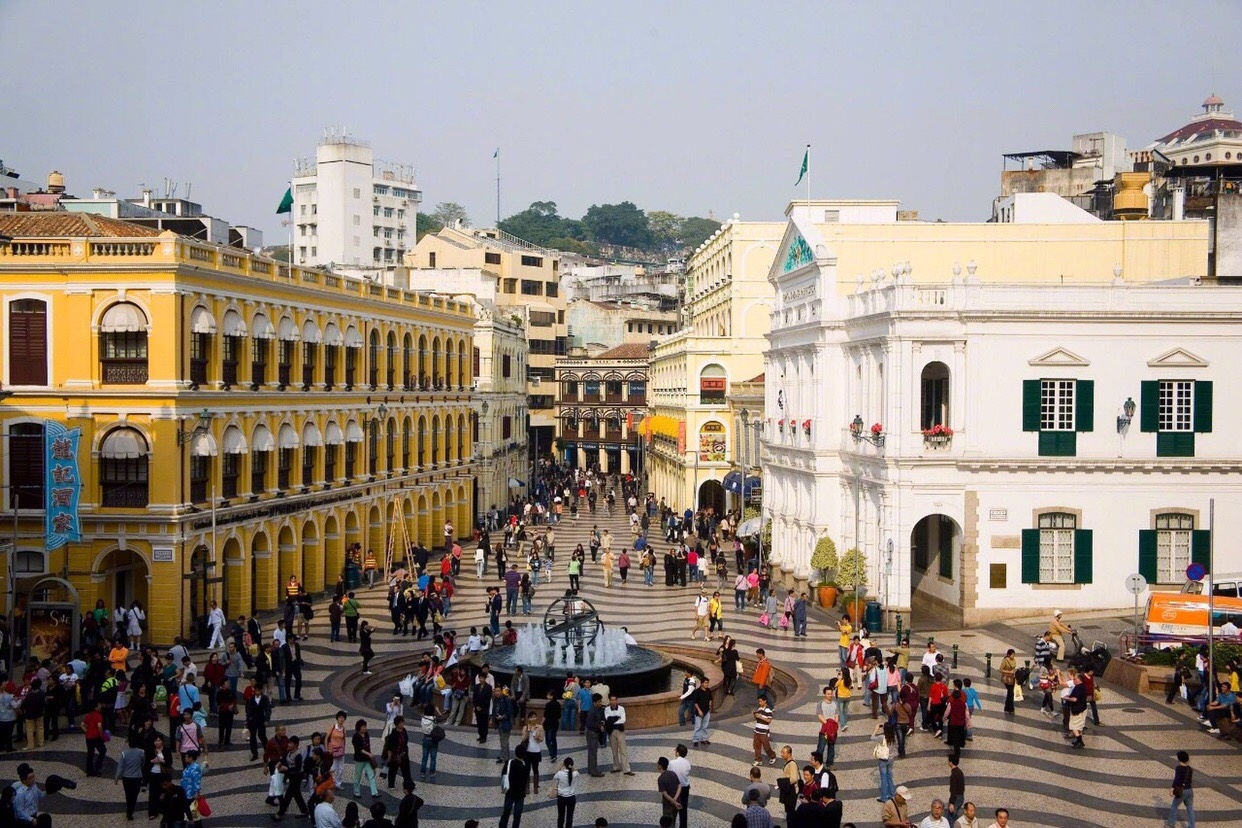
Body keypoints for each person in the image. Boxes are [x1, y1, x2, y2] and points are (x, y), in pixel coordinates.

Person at [499, 750, 531, 828]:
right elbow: (526, 779)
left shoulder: (509, 763)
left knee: (506, 812)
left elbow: (503, 773)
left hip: (509, 792)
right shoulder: (525, 766)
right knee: (517, 815)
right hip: (520, 794)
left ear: (516, 753)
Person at [604, 695, 634, 774]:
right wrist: (617, 718)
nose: (613, 702)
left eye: (614, 700)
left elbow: (623, 719)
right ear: (609, 701)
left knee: (623, 750)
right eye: (611, 700)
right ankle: (616, 767)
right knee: (614, 751)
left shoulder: (621, 708)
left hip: (620, 731)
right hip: (611, 732)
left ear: (617, 701)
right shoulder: (607, 709)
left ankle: (626, 769)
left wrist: (613, 721)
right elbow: (608, 719)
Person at [383, 716, 414, 792]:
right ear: (397, 724)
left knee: (406, 770)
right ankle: (391, 785)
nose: (402, 724)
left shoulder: (404, 731)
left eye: (402, 722)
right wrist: (389, 756)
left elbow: (405, 742)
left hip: (403, 754)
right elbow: (390, 746)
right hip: (395, 755)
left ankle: (409, 783)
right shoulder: (394, 734)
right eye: (400, 722)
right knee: (393, 770)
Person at [1167, 750, 1195, 828]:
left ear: (1179, 759)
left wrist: (1172, 788)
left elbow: (1177, 779)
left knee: (1174, 807)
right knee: (1190, 810)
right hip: (1190, 790)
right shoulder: (1190, 769)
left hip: (1182, 791)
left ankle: (1171, 824)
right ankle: (1192, 826)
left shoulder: (1179, 768)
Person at [353, 719, 379, 799]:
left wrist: (369, 754)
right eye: (363, 727)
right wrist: (369, 754)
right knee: (357, 776)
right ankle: (356, 792)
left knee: (371, 774)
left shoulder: (366, 734)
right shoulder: (355, 736)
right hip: (359, 759)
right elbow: (358, 749)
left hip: (367, 759)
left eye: (365, 726)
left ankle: (374, 792)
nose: (364, 728)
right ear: (359, 727)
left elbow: (368, 746)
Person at [519, 712, 545, 793]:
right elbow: (523, 739)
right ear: (528, 719)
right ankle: (527, 786)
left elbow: (541, 739)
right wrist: (528, 732)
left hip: (536, 751)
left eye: (534, 717)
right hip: (527, 752)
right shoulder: (525, 727)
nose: (533, 719)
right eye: (531, 717)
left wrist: (537, 737)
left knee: (535, 769)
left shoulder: (540, 727)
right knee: (527, 769)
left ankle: (535, 787)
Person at [668, 744, 692, 828]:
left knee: (672, 809)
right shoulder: (687, 763)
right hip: (685, 787)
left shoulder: (671, 763)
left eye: (675, 750)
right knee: (683, 809)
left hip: (675, 788)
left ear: (677, 753)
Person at [873, 722, 896, 804]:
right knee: (890, 777)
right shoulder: (893, 737)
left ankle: (884, 797)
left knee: (883, 778)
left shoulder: (882, 737)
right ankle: (892, 794)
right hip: (891, 759)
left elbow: (872, 737)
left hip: (883, 760)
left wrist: (876, 729)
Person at [552, 757, 578, 828]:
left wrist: (561, 765)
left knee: (561, 816)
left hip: (561, 797)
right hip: (571, 798)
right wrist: (571, 766)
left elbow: (554, 775)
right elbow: (575, 770)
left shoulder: (560, 773)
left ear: (564, 765)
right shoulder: (575, 774)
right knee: (569, 817)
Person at [584, 693, 605, 776]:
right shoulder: (592, 711)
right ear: (595, 702)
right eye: (599, 702)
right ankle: (594, 771)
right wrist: (599, 726)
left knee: (591, 752)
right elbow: (589, 723)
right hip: (592, 733)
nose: (600, 703)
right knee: (593, 752)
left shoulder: (596, 709)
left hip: (593, 733)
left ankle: (591, 769)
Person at [752, 696, 777, 766]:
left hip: (764, 732)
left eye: (760, 701)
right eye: (759, 701)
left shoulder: (768, 710)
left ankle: (773, 756)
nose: (759, 703)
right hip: (757, 731)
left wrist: (761, 717)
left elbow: (769, 720)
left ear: (765, 701)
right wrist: (755, 715)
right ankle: (758, 759)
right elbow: (757, 719)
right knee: (757, 746)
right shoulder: (759, 709)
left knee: (766, 747)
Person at [656, 757, 682, 823]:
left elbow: (665, 794)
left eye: (658, 763)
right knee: (673, 820)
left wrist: (674, 802)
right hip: (677, 802)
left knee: (667, 822)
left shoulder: (661, 779)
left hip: (668, 805)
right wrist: (675, 799)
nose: (657, 764)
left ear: (660, 766)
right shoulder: (673, 773)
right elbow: (679, 786)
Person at [692, 677, 712, 746]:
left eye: (708, 683)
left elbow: (710, 698)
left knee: (705, 726)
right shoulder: (697, 692)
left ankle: (704, 739)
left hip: (707, 711)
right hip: (699, 712)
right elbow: (695, 702)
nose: (707, 684)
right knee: (698, 726)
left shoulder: (708, 690)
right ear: (702, 683)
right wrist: (699, 711)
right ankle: (695, 740)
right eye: (706, 683)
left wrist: (709, 706)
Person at [999, 649, 1017, 714]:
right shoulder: (1005, 660)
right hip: (1006, 678)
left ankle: (1007, 707)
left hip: (1012, 678)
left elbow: (1014, 667)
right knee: (1011, 693)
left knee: (1010, 693)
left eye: (1014, 654)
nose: (1013, 656)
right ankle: (1011, 709)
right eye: (1012, 654)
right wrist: (1009, 671)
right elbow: (1000, 669)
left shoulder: (1013, 660)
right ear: (1009, 655)